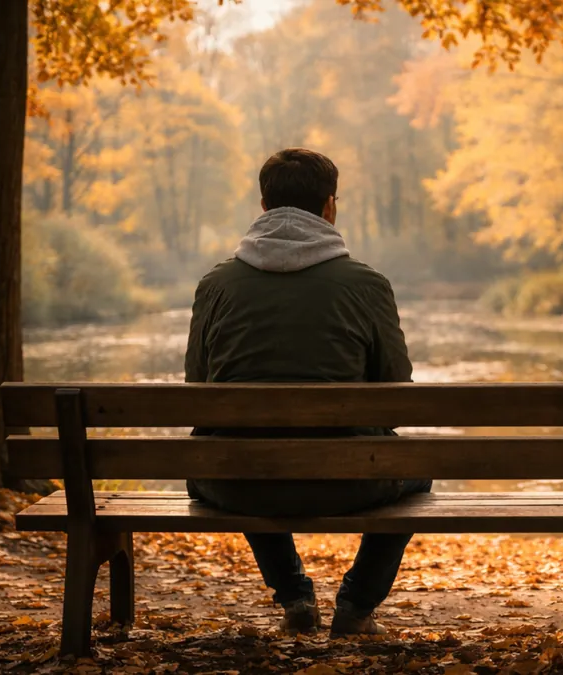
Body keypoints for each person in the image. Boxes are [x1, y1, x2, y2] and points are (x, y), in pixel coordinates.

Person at [183, 148, 430, 637]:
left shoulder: (216, 284)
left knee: (239, 452)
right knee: (416, 471)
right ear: (330, 206)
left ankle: (295, 598)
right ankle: (357, 607)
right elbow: (396, 391)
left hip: (236, 481)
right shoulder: (367, 284)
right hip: (351, 482)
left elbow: (197, 386)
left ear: (263, 206)